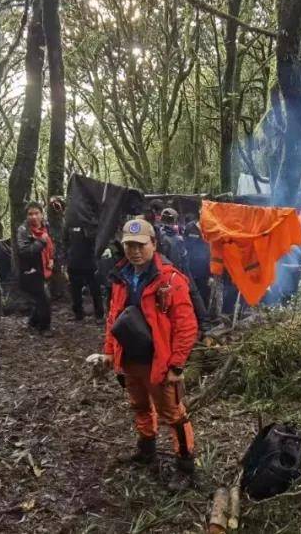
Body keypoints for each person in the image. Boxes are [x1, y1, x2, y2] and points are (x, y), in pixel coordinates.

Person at [102, 219, 198, 491]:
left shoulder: (170, 279)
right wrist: (109, 352)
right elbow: (113, 318)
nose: (135, 251)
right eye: (129, 245)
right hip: (130, 358)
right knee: (139, 405)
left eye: (140, 245)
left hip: (160, 361)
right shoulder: (120, 276)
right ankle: (146, 449)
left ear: (154, 244)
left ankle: (185, 463)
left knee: (173, 413)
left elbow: (187, 325)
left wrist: (177, 365)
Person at [157, 208, 208, 327]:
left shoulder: (161, 235)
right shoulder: (175, 238)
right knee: (192, 294)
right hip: (178, 271)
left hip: (169, 271)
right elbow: (182, 258)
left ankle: (200, 320)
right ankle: (203, 321)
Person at [15, 202, 55, 334]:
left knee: (40, 298)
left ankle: (32, 321)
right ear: (26, 216)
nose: (33, 217)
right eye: (30, 214)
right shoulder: (23, 230)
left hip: (45, 267)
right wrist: (40, 242)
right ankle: (45, 328)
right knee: (44, 298)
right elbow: (24, 251)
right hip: (30, 270)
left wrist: (51, 258)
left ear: (42, 214)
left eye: (36, 213)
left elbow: (52, 244)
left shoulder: (46, 226)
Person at [64, 220, 105, 322]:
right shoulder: (69, 224)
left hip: (90, 263)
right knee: (75, 291)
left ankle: (99, 315)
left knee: (95, 289)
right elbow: (65, 241)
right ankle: (78, 314)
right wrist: (66, 259)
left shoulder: (90, 222)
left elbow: (97, 240)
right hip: (74, 263)